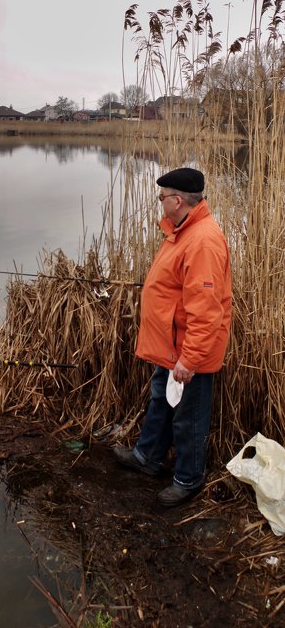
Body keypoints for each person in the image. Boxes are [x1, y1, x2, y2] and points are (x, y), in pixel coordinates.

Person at [113, 167, 233, 507]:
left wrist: (190, 359)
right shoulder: (183, 232)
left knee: (188, 417)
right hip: (172, 344)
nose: (160, 202)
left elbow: (207, 311)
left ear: (178, 200)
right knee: (160, 402)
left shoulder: (203, 241)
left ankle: (188, 479)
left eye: (162, 197)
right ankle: (147, 457)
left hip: (188, 351)